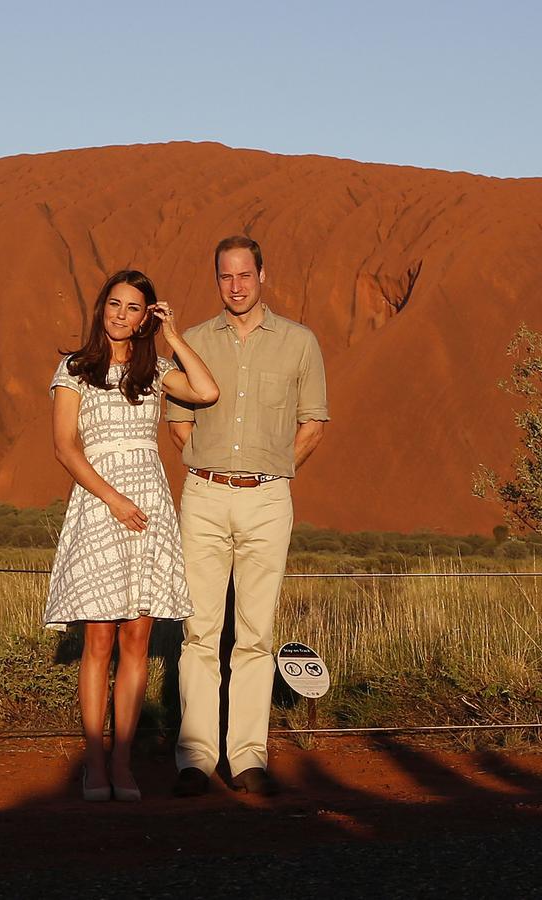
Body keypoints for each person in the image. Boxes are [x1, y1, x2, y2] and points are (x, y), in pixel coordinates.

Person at [45, 269, 219, 803]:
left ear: (146, 317)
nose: (121, 315)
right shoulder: (75, 369)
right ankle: (93, 765)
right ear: (103, 308)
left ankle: (123, 762)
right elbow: (65, 447)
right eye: (115, 304)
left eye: (133, 308)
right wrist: (113, 499)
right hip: (102, 507)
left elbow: (207, 391)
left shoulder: (154, 369)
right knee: (98, 639)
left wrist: (175, 338)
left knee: (138, 639)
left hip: (149, 508)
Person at [166, 235, 328, 797]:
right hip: (205, 495)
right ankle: (195, 756)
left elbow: (313, 422)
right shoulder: (193, 342)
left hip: (267, 497)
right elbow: (179, 420)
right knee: (199, 632)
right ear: (217, 280)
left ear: (263, 274)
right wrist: (205, 464)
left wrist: (279, 471)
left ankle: (248, 755)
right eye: (225, 277)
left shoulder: (299, 343)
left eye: (244, 275)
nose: (235, 286)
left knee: (256, 634)